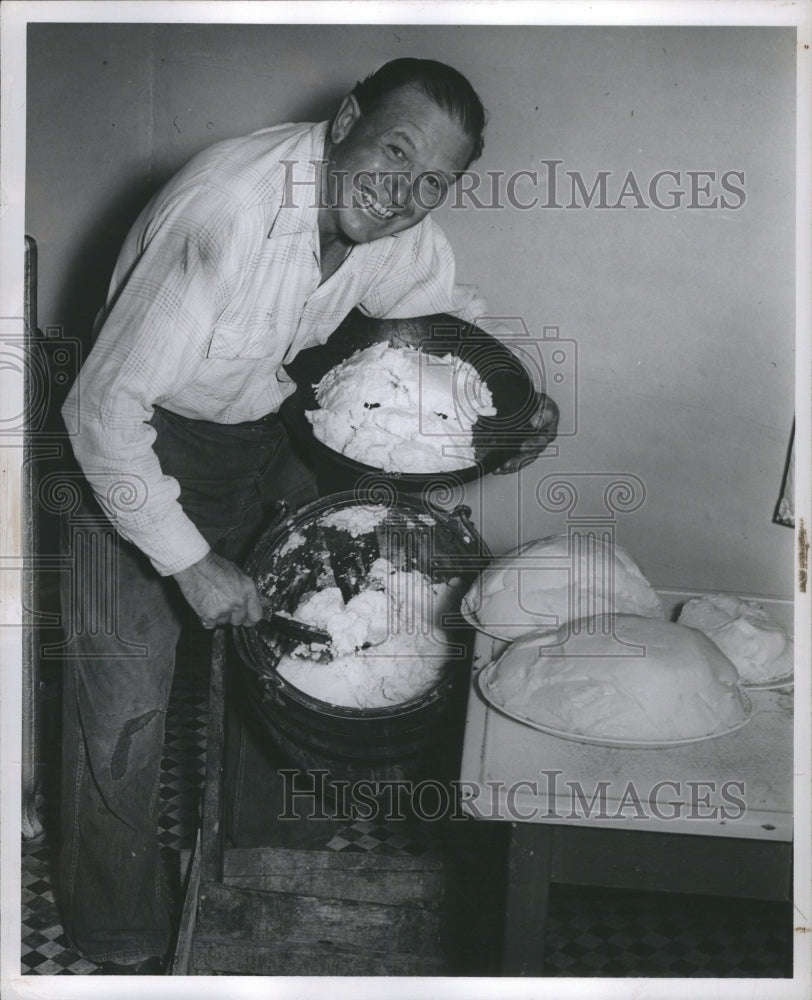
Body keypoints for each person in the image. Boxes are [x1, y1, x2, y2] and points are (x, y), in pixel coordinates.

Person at [58, 57, 558, 973]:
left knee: (300, 626)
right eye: (394, 152)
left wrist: (507, 408)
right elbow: (97, 414)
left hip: (257, 431)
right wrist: (190, 560)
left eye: (431, 182)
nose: (404, 192)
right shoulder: (226, 216)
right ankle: (116, 933)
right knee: (123, 712)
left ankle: (257, 844)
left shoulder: (392, 221)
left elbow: (433, 316)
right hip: (128, 450)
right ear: (346, 119)